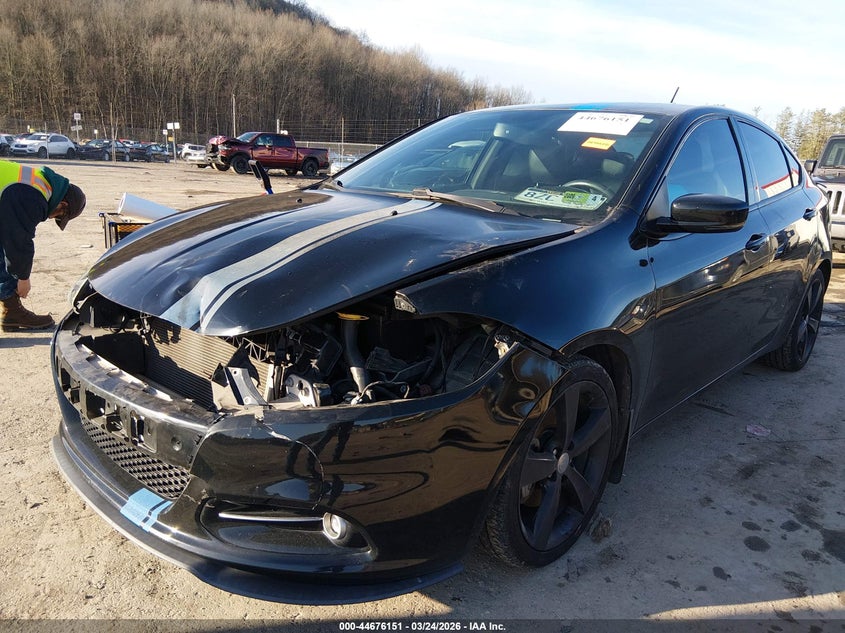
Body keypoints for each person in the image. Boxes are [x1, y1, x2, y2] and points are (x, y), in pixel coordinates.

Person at [0, 159, 86, 331]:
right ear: (63, 205)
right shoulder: (33, 196)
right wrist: (23, 278)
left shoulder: (38, 184)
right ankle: (11, 308)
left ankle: (11, 310)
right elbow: (18, 241)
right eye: (58, 216)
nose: (50, 217)